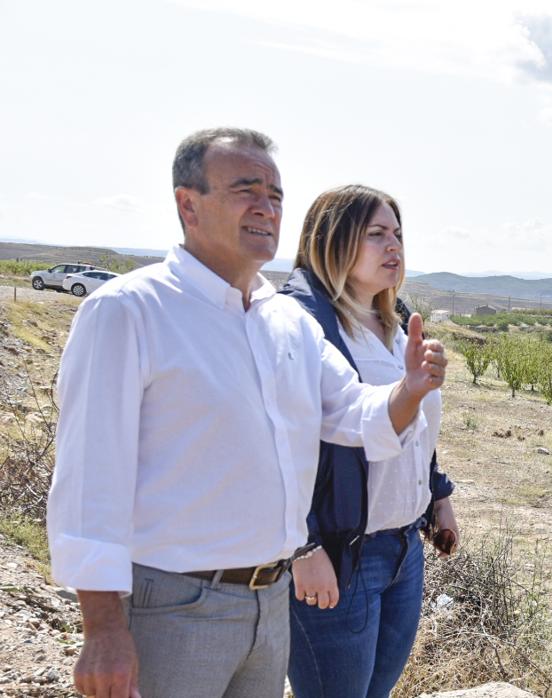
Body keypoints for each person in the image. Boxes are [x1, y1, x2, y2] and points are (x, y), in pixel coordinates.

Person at [46, 128, 447, 698]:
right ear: (188, 203)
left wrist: (408, 389)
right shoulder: (128, 311)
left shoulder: (286, 323)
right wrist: (103, 630)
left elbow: (357, 416)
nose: (266, 207)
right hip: (174, 606)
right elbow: (90, 480)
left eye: (276, 195)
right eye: (246, 190)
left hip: (271, 603)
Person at [279, 185, 459, 697]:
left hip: (402, 548)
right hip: (339, 552)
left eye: (398, 235)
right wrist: (303, 546)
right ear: (332, 241)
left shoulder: (396, 325)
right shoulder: (303, 324)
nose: (394, 247)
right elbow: (280, 447)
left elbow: (415, 425)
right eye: (376, 234)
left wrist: (437, 496)